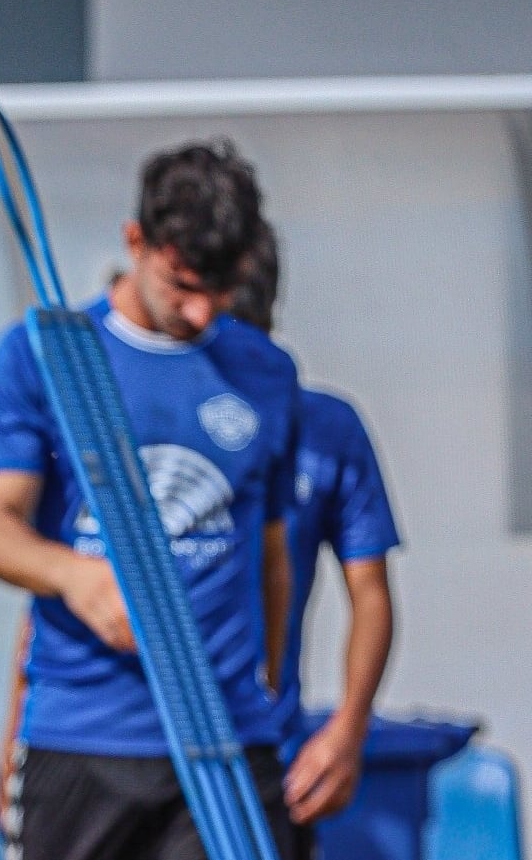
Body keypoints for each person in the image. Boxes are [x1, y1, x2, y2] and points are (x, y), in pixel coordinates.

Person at [0, 140, 299, 860]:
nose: (204, 310)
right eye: (182, 283)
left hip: (226, 737)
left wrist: (268, 694)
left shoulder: (265, 372)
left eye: (222, 286)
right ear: (135, 241)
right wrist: (76, 576)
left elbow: (271, 553)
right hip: (84, 734)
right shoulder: (45, 355)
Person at [228, 229, 401, 859]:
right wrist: (19, 734)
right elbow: (64, 586)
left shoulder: (326, 429)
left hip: (266, 751)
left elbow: (372, 596)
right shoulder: (140, 417)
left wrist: (347, 731)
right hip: (138, 747)